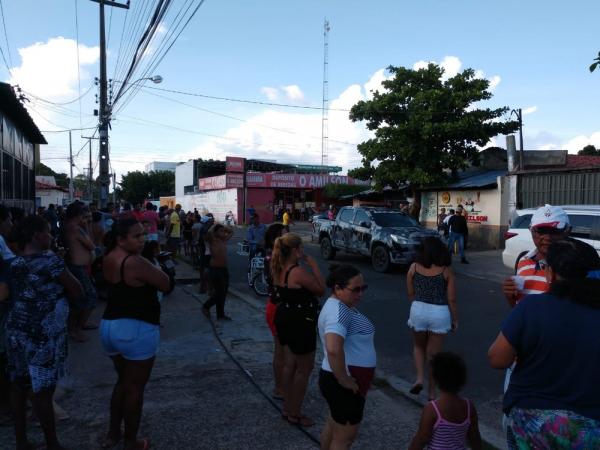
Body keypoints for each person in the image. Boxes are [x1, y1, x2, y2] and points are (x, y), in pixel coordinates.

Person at [489, 239, 600, 449]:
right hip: (590, 428)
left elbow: (497, 358)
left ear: (552, 273)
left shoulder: (532, 307)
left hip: (532, 423)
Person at [5, 215, 82, 450]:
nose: (50, 236)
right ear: (37, 236)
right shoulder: (50, 262)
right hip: (42, 334)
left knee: (18, 386)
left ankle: (21, 442)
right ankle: (53, 445)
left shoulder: (15, 263)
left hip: (16, 329)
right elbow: (77, 290)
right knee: (43, 391)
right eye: (48, 232)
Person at [100, 218, 171, 450]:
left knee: (122, 382)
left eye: (143, 235)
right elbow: (165, 283)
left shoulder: (109, 257)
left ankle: (113, 434)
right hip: (135, 328)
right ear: (121, 239)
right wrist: (156, 265)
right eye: (136, 236)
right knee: (134, 388)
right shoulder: (135, 262)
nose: (142, 240)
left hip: (109, 326)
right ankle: (131, 441)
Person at [271, 233, 325, 427]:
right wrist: (314, 265)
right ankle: (295, 412)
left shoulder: (278, 266)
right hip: (300, 321)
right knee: (304, 368)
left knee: (289, 365)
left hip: (284, 316)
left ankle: (287, 408)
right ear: (295, 251)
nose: (303, 251)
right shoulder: (297, 271)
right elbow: (320, 289)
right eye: (301, 248)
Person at [318, 264, 374, 449]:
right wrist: (344, 380)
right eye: (355, 289)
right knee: (344, 438)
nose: (360, 294)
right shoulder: (338, 312)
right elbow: (333, 348)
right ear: (338, 288)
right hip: (343, 382)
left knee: (334, 425)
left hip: (335, 377)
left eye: (363, 288)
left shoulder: (339, 306)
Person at [407, 236, 457, 400]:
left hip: (418, 309)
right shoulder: (445, 271)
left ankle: (419, 379)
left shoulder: (413, 268)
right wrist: (455, 320)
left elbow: (410, 293)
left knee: (418, 347)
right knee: (434, 356)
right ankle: (432, 393)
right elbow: (451, 299)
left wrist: (418, 306)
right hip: (440, 312)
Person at [409, 352, 482, 450]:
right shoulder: (469, 407)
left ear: (436, 378)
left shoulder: (432, 409)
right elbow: (474, 438)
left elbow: (421, 439)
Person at [502, 204, 570, 307]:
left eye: (554, 231)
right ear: (531, 231)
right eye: (541, 231)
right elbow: (518, 307)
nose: (547, 237)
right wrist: (510, 296)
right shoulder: (523, 261)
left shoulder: (576, 267)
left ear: (568, 232)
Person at [64, 202, 98, 342]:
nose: (87, 216)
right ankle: (75, 329)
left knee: (84, 298)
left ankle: (80, 325)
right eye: (85, 213)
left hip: (80, 268)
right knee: (88, 298)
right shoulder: (75, 228)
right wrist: (88, 225)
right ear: (79, 214)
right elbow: (91, 245)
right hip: (77, 269)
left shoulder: (74, 227)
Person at [263, 223, 287, 400]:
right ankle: (280, 388)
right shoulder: (275, 259)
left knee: (284, 351)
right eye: (285, 237)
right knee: (281, 351)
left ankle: (283, 386)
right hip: (278, 308)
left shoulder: (277, 257)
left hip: (278, 307)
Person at [201, 224, 234, 320]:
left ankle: (220, 314)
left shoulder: (223, 240)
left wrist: (223, 227)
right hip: (215, 270)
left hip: (224, 269)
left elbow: (231, 231)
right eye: (221, 231)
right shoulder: (212, 240)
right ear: (215, 232)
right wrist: (215, 225)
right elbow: (209, 232)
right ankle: (206, 306)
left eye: (223, 231)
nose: (224, 232)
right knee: (220, 293)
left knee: (224, 292)